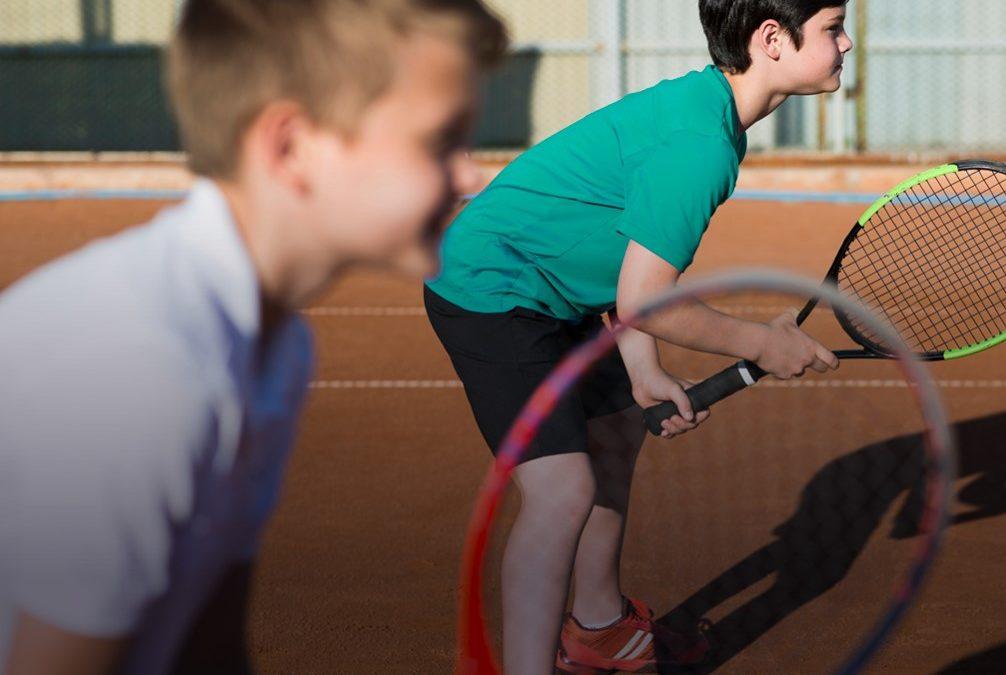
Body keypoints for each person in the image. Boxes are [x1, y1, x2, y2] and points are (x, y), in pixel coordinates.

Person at [0, 1, 506, 673]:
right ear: (291, 146)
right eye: (441, 140)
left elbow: (207, 635)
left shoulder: (278, 345)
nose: (471, 174)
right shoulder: (142, 369)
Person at [425, 0, 850, 672]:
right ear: (772, 39)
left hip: (556, 291)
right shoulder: (702, 146)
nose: (847, 42)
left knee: (618, 428)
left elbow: (628, 266)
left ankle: (598, 629)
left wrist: (643, 369)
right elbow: (648, 300)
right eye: (833, 27)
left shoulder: (705, 112)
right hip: (493, 288)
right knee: (561, 490)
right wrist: (761, 343)